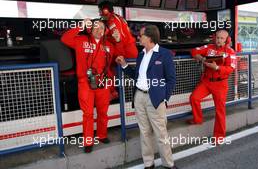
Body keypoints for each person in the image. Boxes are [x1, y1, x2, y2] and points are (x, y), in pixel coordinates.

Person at [115, 25, 178, 169]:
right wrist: (124, 65)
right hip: (139, 97)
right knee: (144, 132)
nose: (138, 37)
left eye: (140, 35)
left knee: (161, 133)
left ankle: (168, 164)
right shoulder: (141, 54)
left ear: (149, 37)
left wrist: (164, 98)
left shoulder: (165, 54)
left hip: (155, 99)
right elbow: (137, 77)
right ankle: (148, 164)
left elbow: (171, 79)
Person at [61, 18, 123, 153]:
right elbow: (65, 38)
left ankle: (102, 135)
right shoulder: (81, 40)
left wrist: (118, 41)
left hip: (103, 82)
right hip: (85, 83)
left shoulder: (109, 45)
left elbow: (119, 55)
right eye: (96, 26)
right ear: (90, 28)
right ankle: (88, 141)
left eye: (102, 27)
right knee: (88, 114)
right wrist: (81, 25)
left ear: (105, 31)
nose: (98, 29)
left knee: (103, 112)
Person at [187, 29, 236, 144]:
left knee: (220, 110)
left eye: (221, 38)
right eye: (217, 37)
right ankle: (197, 119)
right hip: (207, 82)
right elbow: (194, 51)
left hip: (220, 84)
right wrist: (202, 59)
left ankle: (219, 137)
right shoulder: (209, 47)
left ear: (227, 40)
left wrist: (217, 68)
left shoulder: (230, 51)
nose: (219, 40)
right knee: (194, 98)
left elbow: (230, 68)